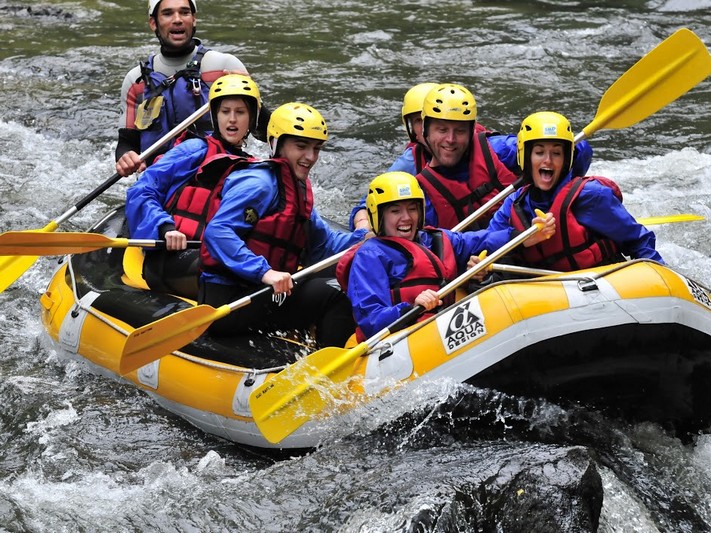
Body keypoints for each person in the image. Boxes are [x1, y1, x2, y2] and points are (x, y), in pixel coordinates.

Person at [198, 102, 371, 347]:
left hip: (264, 293)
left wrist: (363, 238)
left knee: (342, 282)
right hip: (231, 301)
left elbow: (324, 245)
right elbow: (218, 232)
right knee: (335, 297)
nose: (310, 157)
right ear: (275, 144)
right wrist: (264, 272)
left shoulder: (295, 187)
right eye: (301, 146)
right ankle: (328, 366)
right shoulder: (259, 183)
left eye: (316, 148)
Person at [337, 172, 554, 341]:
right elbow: (371, 319)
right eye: (395, 211)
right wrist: (411, 307)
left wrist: (524, 235)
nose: (406, 218)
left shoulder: (436, 239)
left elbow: (482, 240)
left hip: (443, 329)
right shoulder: (370, 256)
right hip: (401, 340)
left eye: (412, 209)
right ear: (378, 215)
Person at [125, 73, 261, 298]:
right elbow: (141, 191)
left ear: (252, 118)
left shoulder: (255, 169)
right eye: (225, 111)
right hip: (171, 255)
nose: (232, 119)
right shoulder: (194, 150)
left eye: (240, 112)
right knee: (225, 272)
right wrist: (165, 228)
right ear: (215, 115)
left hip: (221, 256)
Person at [487, 111, 664, 271]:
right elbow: (489, 242)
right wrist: (480, 262)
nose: (548, 160)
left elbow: (637, 240)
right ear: (526, 157)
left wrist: (659, 274)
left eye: (556, 153)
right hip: (542, 288)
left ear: (566, 160)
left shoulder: (590, 195)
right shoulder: (514, 202)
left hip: (599, 281)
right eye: (539, 152)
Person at [115, 0, 260, 177]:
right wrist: (126, 157)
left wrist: (250, 94)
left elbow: (263, 131)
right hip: (161, 180)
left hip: (218, 175)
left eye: (184, 12)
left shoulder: (224, 67)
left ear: (194, 19)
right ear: (153, 23)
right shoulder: (135, 81)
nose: (177, 19)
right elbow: (126, 143)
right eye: (168, 13)